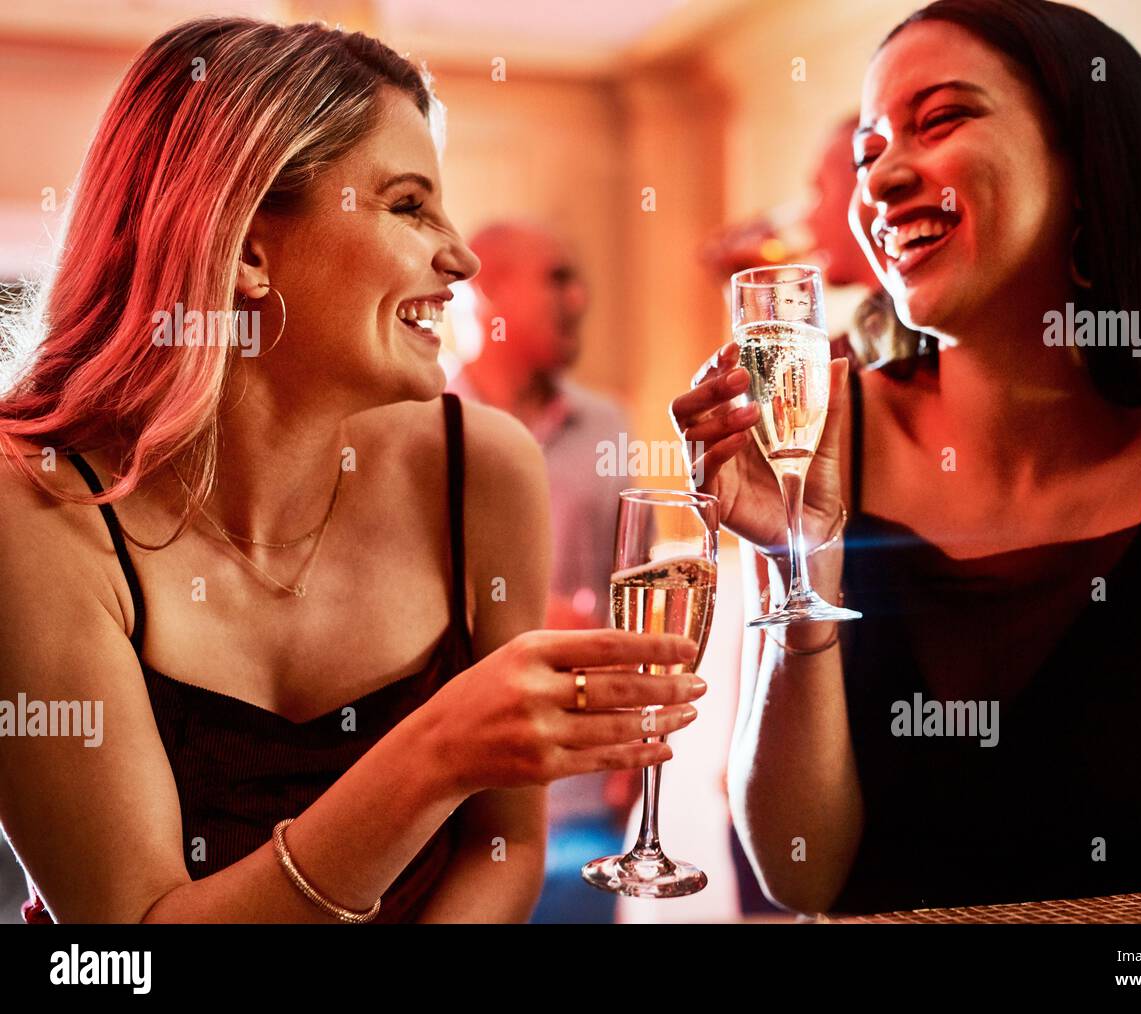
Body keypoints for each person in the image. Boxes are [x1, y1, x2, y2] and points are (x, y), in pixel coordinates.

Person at [0, 17, 705, 924]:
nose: (462, 257)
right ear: (249, 249)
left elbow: (506, 849)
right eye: (409, 206)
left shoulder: (480, 467)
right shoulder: (38, 506)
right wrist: (435, 753)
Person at [674, 0, 1141, 916]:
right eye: (868, 151)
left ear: (1086, 161)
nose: (881, 176)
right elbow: (800, 871)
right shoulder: (828, 427)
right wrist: (791, 561)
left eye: (941, 119)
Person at [446, 222, 635, 921]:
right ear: (488, 288)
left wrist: (634, 748)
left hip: (587, 787)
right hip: (462, 799)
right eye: (557, 277)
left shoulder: (611, 425)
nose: (580, 297)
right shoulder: (415, 425)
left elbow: (631, 589)